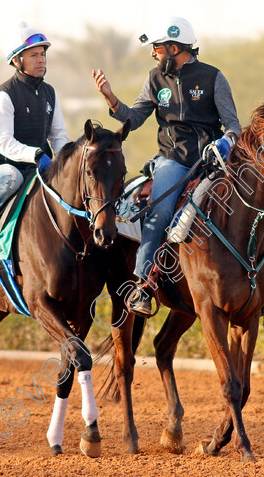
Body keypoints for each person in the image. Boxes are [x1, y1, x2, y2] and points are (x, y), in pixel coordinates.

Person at [92, 17, 240, 317]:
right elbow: (133, 118)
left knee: (251, 206)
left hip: (212, 162)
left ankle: (258, 288)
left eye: (157, 47)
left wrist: (226, 142)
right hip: (173, 161)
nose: (153, 53)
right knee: (157, 215)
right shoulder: (154, 79)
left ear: (174, 48)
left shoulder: (214, 77)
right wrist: (110, 98)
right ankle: (144, 286)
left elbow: (233, 124)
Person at [0, 23, 70, 247]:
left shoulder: (49, 93)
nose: (41, 59)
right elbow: (4, 143)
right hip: (1, 168)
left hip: (37, 167)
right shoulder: (3, 96)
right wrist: (37, 154)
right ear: (16, 60)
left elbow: (59, 136)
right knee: (11, 177)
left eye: (43, 54)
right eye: (34, 55)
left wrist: (66, 161)